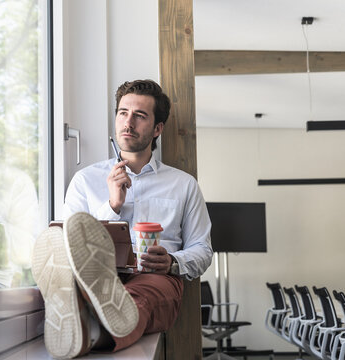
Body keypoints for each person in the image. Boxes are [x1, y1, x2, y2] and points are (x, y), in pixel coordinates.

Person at [32, 79, 213, 359]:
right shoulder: (86, 180)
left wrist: (173, 262)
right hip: (99, 271)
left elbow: (203, 249)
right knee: (78, 263)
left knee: (141, 300)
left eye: (140, 116)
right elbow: (69, 240)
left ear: (157, 129)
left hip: (154, 276)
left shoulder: (183, 184)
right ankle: (85, 315)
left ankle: (84, 321)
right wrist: (112, 205)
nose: (128, 122)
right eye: (122, 113)